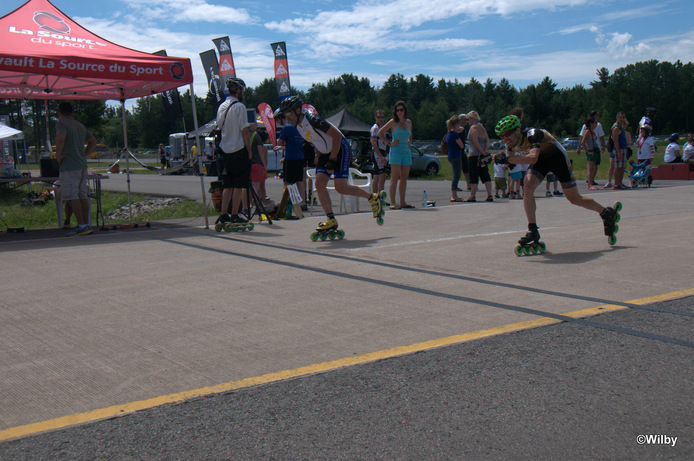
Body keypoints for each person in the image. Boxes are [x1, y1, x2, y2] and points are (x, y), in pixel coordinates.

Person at [494, 114, 619, 247]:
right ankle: (533, 229)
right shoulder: (510, 145)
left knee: (574, 198)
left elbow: (532, 158)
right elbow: (513, 162)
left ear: (517, 131)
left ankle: (605, 213)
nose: (505, 139)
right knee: (528, 185)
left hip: (557, 158)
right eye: (502, 136)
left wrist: (507, 160)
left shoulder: (533, 134)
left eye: (507, 134)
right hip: (542, 161)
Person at [277, 95, 384, 234]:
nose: (286, 118)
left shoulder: (313, 119)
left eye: (288, 113)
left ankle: (373, 198)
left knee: (341, 187)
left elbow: (337, 136)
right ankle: (331, 219)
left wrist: (333, 159)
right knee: (319, 184)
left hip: (339, 147)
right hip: (325, 152)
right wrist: (318, 155)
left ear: (298, 110)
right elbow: (314, 138)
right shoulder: (297, 126)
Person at [55, 101, 97, 236]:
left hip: (69, 165)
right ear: (72, 112)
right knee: (82, 194)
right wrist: (85, 154)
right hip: (81, 164)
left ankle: (81, 225)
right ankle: (86, 223)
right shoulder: (80, 125)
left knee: (71, 195)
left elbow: (61, 138)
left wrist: (59, 155)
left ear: (59, 112)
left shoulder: (61, 124)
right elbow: (93, 141)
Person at [215, 77, 253, 228]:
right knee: (239, 184)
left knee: (227, 184)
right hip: (238, 149)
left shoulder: (222, 106)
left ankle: (224, 214)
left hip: (225, 151)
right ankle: (235, 214)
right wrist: (249, 150)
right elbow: (244, 130)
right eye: (242, 90)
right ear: (238, 90)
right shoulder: (239, 107)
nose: (243, 92)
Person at [378, 101, 413, 209]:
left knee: (404, 177)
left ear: (405, 111)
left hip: (406, 152)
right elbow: (380, 132)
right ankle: (393, 202)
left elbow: (410, 134)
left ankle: (402, 202)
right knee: (395, 177)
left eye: (401, 110)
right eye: (397, 110)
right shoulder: (393, 122)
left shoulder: (408, 122)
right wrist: (389, 143)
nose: (399, 112)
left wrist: (409, 142)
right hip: (395, 152)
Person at [275, 109, 307, 208]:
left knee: (288, 181)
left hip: (290, 157)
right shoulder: (300, 126)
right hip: (300, 156)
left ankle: (287, 201)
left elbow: (279, 142)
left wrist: (284, 142)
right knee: (299, 180)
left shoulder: (287, 128)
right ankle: (302, 202)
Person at [465, 110, 493, 202]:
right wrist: (485, 150)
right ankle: (489, 195)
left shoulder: (473, 128)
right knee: (485, 174)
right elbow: (487, 140)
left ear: (472, 119)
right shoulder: (482, 127)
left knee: (474, 175)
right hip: (483, 155)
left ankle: (472, 196)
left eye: (468, 119)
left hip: (474, 155)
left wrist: (481, 151)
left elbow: (475, 141)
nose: (467, 121)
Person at [445, 115, 466, 201]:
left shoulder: (449, 133)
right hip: (456, 156)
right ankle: (454, 195)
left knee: (456, 174)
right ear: (456, 124)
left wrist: (458, 128)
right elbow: (461, 145)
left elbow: (461, 129)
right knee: (456, 175)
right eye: (458, 124)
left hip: (451, 155)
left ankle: (454, 194)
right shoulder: (454, 134)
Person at [609, 111, 632, 190]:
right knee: (618, 167)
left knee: (622, 167)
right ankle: (616, 183)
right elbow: (615, 140)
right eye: (621, 118)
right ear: (617, 118)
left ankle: (620, 182)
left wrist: (625, 123)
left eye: (623, 118)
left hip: (623, 148)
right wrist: (618, 152)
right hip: (618, 149)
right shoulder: (616, 128)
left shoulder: (620, 127)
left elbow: (625, 127)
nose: (622, 119)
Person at [577, 117, 601, 188]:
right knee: (590, 169)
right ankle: (589, 185)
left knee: (593, 168)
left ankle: (591, 183)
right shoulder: (587, 131)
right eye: (594, 123)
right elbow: (583, 142)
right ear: (591, 124)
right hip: (590, 151)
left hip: (594, 150)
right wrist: (587, 151)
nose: (595, 124)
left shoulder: (592, 131)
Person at [370, 109, 389, 196]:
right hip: (377, 152)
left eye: (382, 117)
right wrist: (380, 156)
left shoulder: (383, 128)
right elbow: (374, 143)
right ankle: (379, 196)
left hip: (382, 151)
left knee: (377, 175)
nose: (380, 119)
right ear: (375, 117)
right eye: (378, 117)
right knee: (382, 175)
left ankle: (376, 196)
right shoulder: (375, 128)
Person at [249, 122, 269, 201]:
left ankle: (251, 202)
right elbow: (265, 158)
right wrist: (265, 167)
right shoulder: (264, 148)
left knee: (252, 185)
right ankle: (262, 201)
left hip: (251, 164)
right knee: (261, 187)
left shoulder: (249, 138)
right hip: (260, 166)